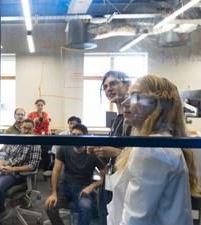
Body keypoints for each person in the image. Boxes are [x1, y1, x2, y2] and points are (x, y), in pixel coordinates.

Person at [107, 74, 200, 225]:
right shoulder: (159, 143)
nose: (125, 102)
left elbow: (135, 220)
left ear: (157, 105)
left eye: (136, 96)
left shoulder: (151, 149)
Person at [88, 70, 132, 225]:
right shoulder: (116, 120)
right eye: (105, 86)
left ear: (127, 85)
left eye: (113, 83)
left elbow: (141, 156)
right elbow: (114, 155)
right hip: (112, 180)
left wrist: (115, 152)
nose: (108, 89)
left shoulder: (134, 118)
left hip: (127, 184)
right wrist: (99, 151)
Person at [45, 124, 105, 225]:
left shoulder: (93, 153)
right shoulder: (64, 148)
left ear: (86, 136)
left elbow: (106, 176)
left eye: (79, 135)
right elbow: (55, 171)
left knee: (86, 209)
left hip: (83, 189)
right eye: (73, 135)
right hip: (65, 188)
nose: (75, 137)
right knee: (49, 206)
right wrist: (54, 193)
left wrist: (92, 186)